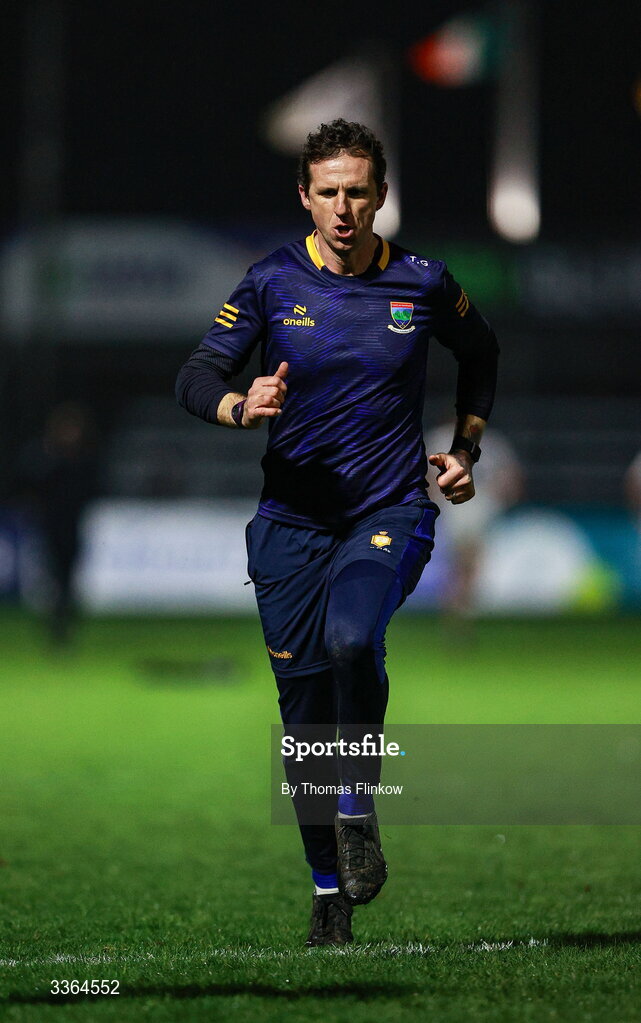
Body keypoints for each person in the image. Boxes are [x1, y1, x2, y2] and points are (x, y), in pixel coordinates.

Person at [176, 119, 499, 946]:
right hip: (289, 526)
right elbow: (197, 374)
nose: (344, 207)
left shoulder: (423, 283)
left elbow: (480, 351)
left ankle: (359, 797)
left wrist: (464, 448)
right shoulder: (269, 283)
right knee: (303, 722)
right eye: (328, 192)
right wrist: (238, 405)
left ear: (380, 195)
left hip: (387, 510)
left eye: (358, 191)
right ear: (305, 197)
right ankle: (328, 890)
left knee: (354, 639)